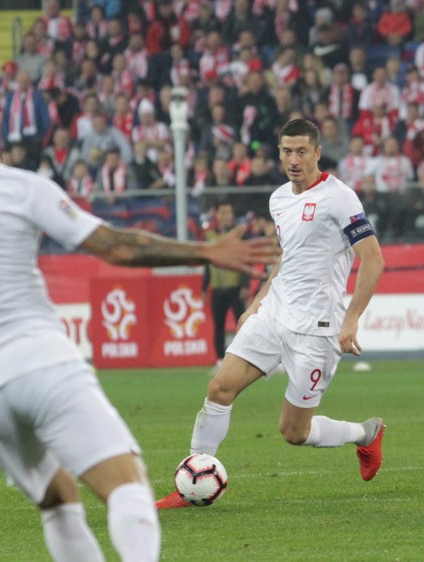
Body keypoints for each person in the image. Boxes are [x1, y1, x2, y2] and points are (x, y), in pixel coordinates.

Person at [0, 71, 278, 561]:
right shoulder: (23, 187)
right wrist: (206, 250)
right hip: (41, 364)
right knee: (127, 487)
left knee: (58, 501)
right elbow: (115, 245)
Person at [156, 118, 386, 509]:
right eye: (286, 152)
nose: (293, 160)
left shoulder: (339, 197)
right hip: (274, 315)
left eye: (301, 152)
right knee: (219, 389)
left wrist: (352, 319)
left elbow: (373, 259)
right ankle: (190, 483)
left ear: (316, 152)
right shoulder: (279, 198)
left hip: (317, 328)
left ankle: (366, 434)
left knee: (294, 431)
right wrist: (257, 302)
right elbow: (287, 258)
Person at [202, 201, 250, 372]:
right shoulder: (210, 236)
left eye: (228, 212)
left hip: (235, 286)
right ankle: (220, 361)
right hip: (217, 288)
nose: (226, 216)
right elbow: (207, 264)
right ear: (218, 215)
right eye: (223, 212)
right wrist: (204, 287)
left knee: (242, 324)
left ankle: (243, 358)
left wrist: (245, 284)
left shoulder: (239, 234)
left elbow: (246, 261)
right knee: (218, 325)